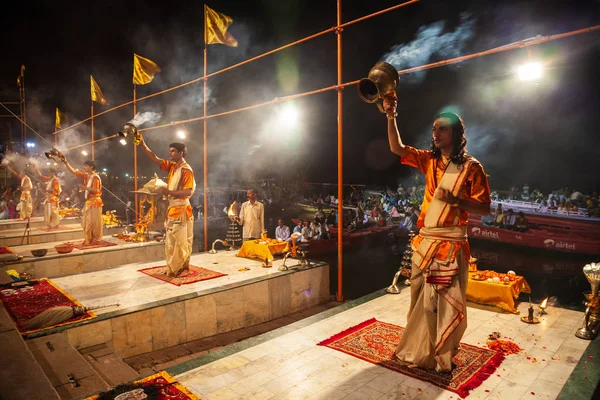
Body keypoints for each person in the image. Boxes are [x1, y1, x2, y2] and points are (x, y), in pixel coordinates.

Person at [385, 94, 491, 372]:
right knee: (420, 299)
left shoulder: (471, 167)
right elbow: (396, 147)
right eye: (434, 128)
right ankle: (420, 351)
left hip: (451, 245)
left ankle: (442, 356)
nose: (436, 133)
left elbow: (485, 209)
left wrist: (456, 201)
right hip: (426, 242)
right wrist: (390, 115)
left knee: (443, 305)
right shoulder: (429, 161)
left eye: (442, 128)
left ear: (455, 133)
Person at [140, 138, 196, 277]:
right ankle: (173, 267)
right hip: (172, 209)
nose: (169, 154)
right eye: (169, 151)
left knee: (181, 241)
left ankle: (182, 268)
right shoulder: (172, 167)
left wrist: (169, 192)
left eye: (172, 151)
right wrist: (141, 143)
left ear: (180, 153)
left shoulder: (186, 170)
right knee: (171, 241)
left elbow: (189, 192)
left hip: (181, 210)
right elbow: (155, 159)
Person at [62, 158, 103, 245]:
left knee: (95, 222)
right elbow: (74, 172)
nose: (84, 167)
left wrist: (84, 188)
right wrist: (66, 162)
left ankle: (96, 239)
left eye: (86, 166)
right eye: (84, 166)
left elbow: (96, 190)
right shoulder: (85, 175)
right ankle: (89, 238)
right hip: (89, 202)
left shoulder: (95, 177)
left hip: (95, 202)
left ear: (91, 167)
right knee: (86, 222)